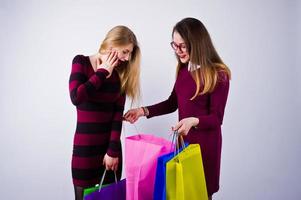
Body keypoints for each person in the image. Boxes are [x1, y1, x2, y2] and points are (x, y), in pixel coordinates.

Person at [124, 17, 231, 199]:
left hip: (205, 149)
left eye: (183, 45)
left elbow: (216, 118)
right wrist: (142, 111)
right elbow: (172, 103)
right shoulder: (183, 70)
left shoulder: (218, 74)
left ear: (197, 43)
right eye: (175, 45)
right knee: (182, 192)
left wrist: (193, 121)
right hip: (184, 145)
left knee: (200, 193)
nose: (178, 51)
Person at [69, 25, 141, 200]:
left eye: (130, 53)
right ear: (112, 44)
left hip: (110, 152)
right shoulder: (81, 62)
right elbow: (76, 96)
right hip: (85, 150)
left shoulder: (120, 75)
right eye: (125, 52)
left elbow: (117, 116)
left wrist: (112, 151)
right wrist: (102, 72)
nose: (127, 58)